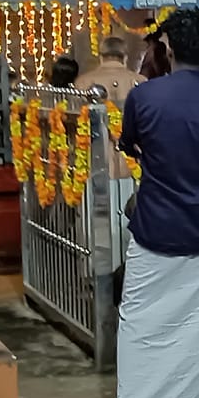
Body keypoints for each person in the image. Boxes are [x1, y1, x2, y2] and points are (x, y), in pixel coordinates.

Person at [88, 9, 199, 398]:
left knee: (139, 318)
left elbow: (130, 144)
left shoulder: (145, 97)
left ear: (168, 47)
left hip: (158, 221)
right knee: (196, 320)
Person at [75, 36, 146, 247]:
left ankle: (96, 269)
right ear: (124, 56)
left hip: (96, 160)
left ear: (101, 55)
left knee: (96, 224)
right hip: (132, 162)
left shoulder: (83, 82)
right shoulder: (140, 82)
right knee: (131, 215)